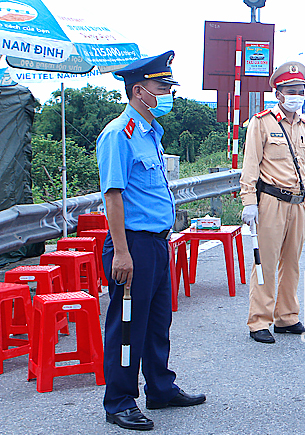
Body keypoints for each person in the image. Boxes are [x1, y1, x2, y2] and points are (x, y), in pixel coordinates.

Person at [96, 51, 206, 431]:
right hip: (133, 246)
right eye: (163, 88)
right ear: (140, 91)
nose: (169, 94)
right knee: (128, 325)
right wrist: (122, 252)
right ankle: (120, 401)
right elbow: (113, 195)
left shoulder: (151, 133)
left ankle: (160, 388)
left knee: (158, 321)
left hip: (158, 243)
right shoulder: (118, 135)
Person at [240, 61, 305, 343]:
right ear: (278, 93)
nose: (296, 95)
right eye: (290, 90)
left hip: (297, 203)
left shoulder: (303, 126)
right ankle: (259, 321)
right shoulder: (262, 122)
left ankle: (286, 317)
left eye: (300, 90)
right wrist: (249, 201)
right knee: (266, 261)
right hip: (271, 201)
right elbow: (250, 164)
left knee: (292, 262)